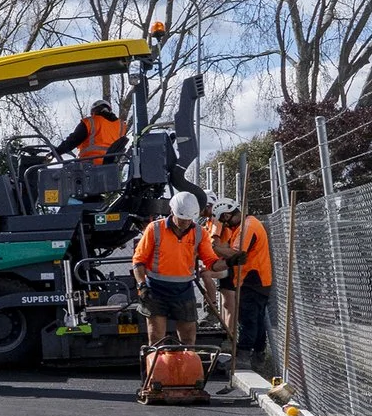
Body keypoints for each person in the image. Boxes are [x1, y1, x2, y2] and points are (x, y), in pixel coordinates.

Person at [133, 192, 221, 346]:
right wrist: (142, 285)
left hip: (183, 290)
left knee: (188, 339)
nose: (186, 222)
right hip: (155, 289)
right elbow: (138, 261)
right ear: (172, 211)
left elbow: (211, 262)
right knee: (156, 338)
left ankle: (186, 367)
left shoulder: (199, 232)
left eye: (189, 219)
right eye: (182, 218)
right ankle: (156, 367)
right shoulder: (155, 229)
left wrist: (231, 261)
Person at [207, 199, 274, 368]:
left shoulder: (248, 227)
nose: (225, 225)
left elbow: (237, 254)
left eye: (224, 221)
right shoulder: (243, 226)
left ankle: (243, 356)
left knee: (247, 319)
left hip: (253, 278)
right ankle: (258, 354)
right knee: (256, 320)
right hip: (256, 279)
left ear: (228, 215)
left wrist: (214, 248)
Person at [55, 99, 127, 165]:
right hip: (111, 167)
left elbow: (72, 140)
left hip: (90, 165)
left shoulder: (90, 122)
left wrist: (55, 152)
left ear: (94, 111)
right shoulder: (122, 126)